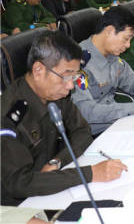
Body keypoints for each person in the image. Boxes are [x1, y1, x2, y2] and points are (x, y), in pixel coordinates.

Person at [1, 31, 127, 205]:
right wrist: (90, 174)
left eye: (74, 77)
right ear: (38, 70)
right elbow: (18, 183)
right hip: (18, 205)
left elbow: (82, 131)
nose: (70, 86)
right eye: (66, 76)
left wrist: (57, 161)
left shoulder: (55, 93)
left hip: (52, 187)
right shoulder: (8, 116)